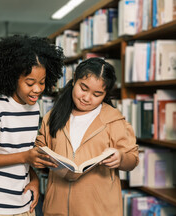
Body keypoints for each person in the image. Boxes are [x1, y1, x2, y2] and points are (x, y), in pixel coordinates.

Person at [0, 34, 64, 216]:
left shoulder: (34, 108)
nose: (37, 89)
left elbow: (24, 154)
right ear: (13, 79)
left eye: (42, 82)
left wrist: (34, 178)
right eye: (30, 83)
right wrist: (25, 157)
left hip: (22, 202)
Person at [35, 57, 139, 216]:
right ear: (74, 80)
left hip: (99, 210)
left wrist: (121, 158)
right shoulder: (52, 117)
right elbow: (39, 150)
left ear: (105, 95)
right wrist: (42, 158)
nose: (87, 98)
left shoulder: (113, 119)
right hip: (56, 208)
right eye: (83, 88)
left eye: (97, 94)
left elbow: (132, 158)